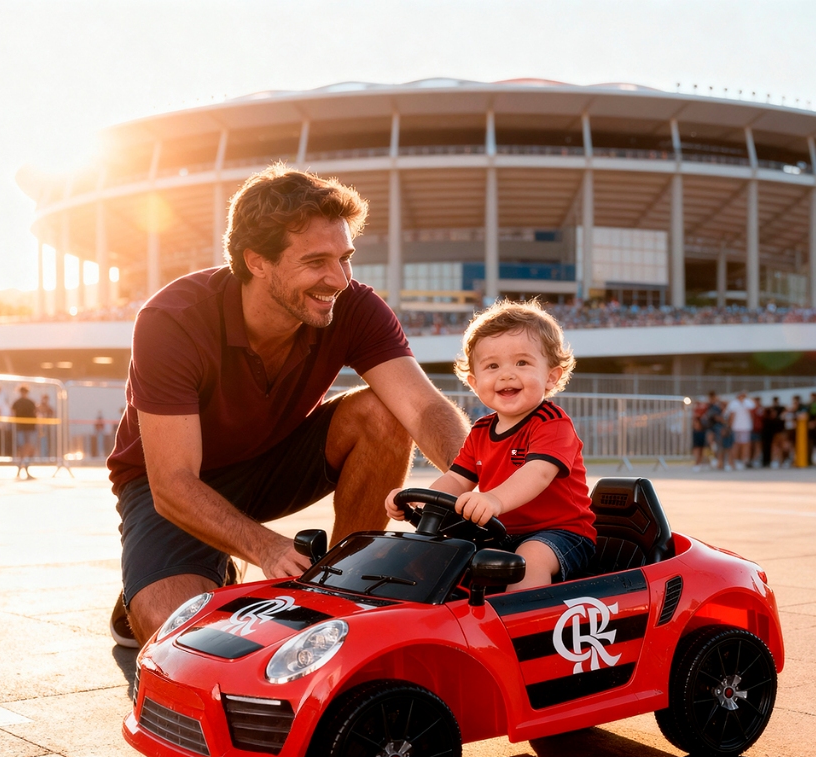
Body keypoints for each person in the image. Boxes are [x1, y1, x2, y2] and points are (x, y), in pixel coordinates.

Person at [107, 165, 468, 648]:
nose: (338, 279)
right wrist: (266, 548)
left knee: (382, 413)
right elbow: (172, 483)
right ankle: (162, 574)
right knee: (181, 635)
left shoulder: (355, 305)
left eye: (346, 257)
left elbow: (422, 408)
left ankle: (347, 583)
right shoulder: (172, 320)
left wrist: (481, 482)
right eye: (317, 261)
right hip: (176, 485)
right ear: (257, 262)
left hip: (272, 462)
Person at [387, 300, 595, 591]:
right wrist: (421, 501)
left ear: (551, 376)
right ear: (474, 382)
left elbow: (538, 472)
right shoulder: (481, 430)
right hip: (501, 534)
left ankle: (525, 627)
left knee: (529, 560)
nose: (506, 374)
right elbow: (457, 479)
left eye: (522, 363)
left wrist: (494, 500)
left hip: (562, 534)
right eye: (492, 366)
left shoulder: (552, 423)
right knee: (437, 555)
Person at [724, 391, 754, 469]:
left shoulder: (748, 402)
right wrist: (729, 426)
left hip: (746, 427)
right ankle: (736, 461)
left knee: (745, 445)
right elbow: (731, 415)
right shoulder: (733, 403)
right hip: (736, 428)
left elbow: (752, 410)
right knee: (736, 445)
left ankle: (744, 460)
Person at [11, 386, 37, 474]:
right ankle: (20, 466)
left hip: (30, 428)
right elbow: (13, 413)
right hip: (21, 428)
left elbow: (36, 413)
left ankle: (26, 466)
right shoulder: (17, 402)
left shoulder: (31, 402)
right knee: (22, 447)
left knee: (29, 447)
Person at [691, 397, 709, 470]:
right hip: (698, 431)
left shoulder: (704, 410)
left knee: (701, 448)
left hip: (702, 430)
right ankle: (697, 463)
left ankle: (699, 463)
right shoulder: (697, 410)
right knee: (697, 448)